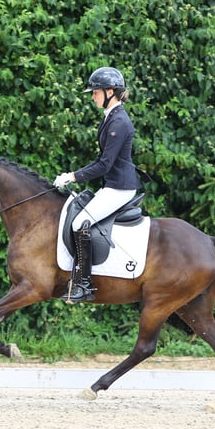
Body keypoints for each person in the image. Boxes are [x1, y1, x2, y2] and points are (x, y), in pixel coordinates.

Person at [53, 66, 142, 303]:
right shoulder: (110, 117)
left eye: (96, 91)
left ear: (111, 91)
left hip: (121, 187)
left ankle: (84, 284)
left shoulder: (119, 122)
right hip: (112, 184)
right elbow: (102, 161)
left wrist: (73, 176)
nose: (93, 96)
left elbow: (103, 164)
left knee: (80, 223)